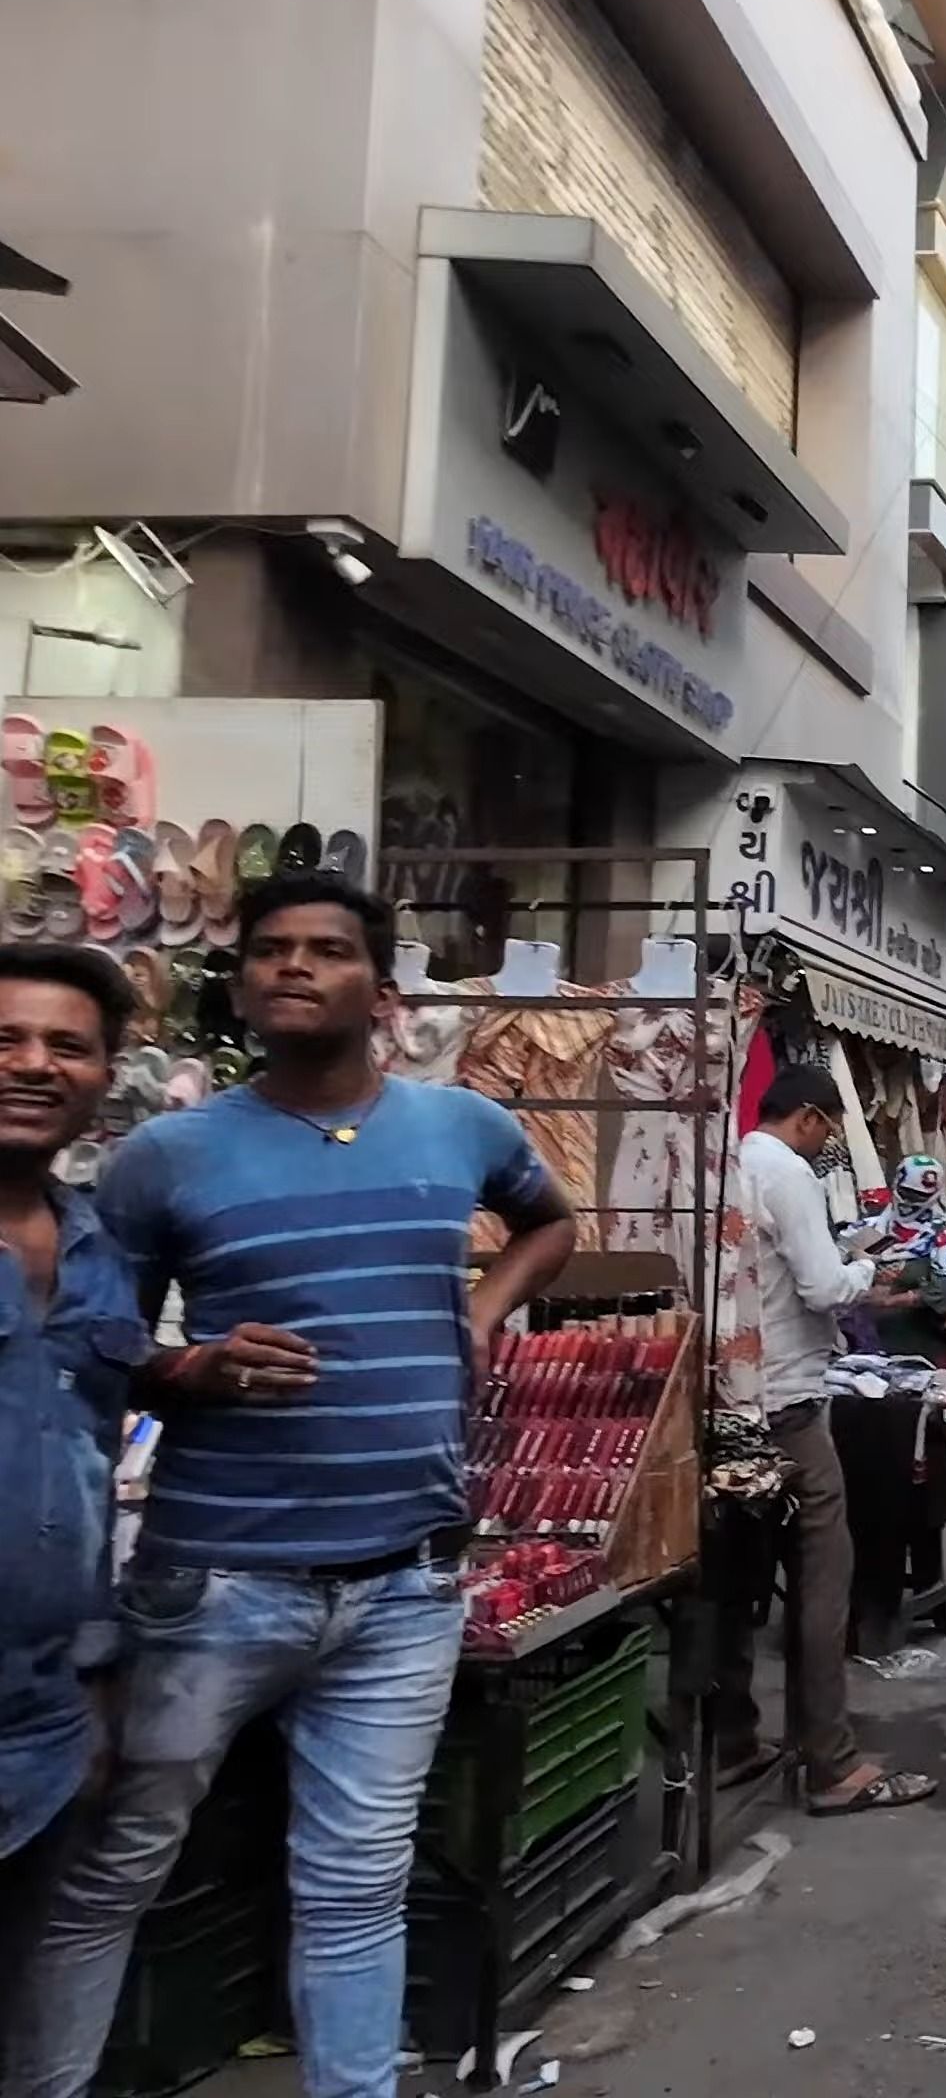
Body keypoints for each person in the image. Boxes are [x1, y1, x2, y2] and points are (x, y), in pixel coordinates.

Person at [9, 877, 579, 2098]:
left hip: (404, 1589)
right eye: (271, 950)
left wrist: (483, 1308)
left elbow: (547, 1221)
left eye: (327, 951)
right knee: (117, 1868)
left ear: (382, 991)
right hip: (212, 1587)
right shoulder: (166, 1159)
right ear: (241, 980)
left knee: (357, 1884)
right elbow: (101, 1345)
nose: (295, 968)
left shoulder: (462, 1128)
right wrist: (191, 1368)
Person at [712, 1065, 937, 1818]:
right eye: (829, 1127)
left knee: (731, 1580)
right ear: (809, 1117)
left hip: (727, 1401)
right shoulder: (788, 1172)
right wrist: (870, 1265)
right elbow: (819, 1286)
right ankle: (832, 1761)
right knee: (822, 1573)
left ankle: (731, 1742)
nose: (829, 1141)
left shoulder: (729, 1159)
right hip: (786, 1403)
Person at [0, 949, 143, 1993]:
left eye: (68, 1046)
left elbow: (88, 1463)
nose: (35, 1065)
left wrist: (92, 1677)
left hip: (38, 1726)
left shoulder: (96, 1247)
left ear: (104, 1076)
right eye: (7, 1039)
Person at [854, 1153, 946, 1362]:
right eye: (906, 1192)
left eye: (920, 1196)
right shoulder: (871, 1227)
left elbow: (945, 1292)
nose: (910, 1201)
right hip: (861, 1346)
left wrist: (888, 1301)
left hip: (921, 1349)